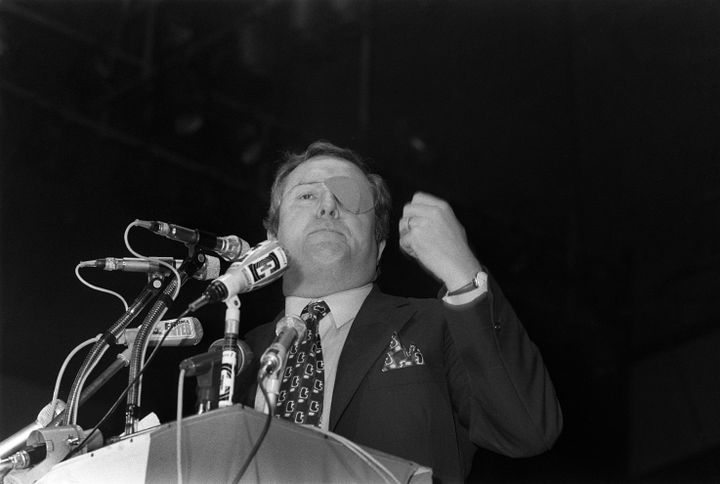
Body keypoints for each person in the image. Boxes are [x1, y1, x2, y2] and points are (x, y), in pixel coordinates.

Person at [240, 141, 562, 482]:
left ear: (380, 244)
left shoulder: (440, 325)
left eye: (350, 197)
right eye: (306, 196)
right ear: (271, 237)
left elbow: (528, 429)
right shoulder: (238, 358)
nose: (328, 206)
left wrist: (462, 273)